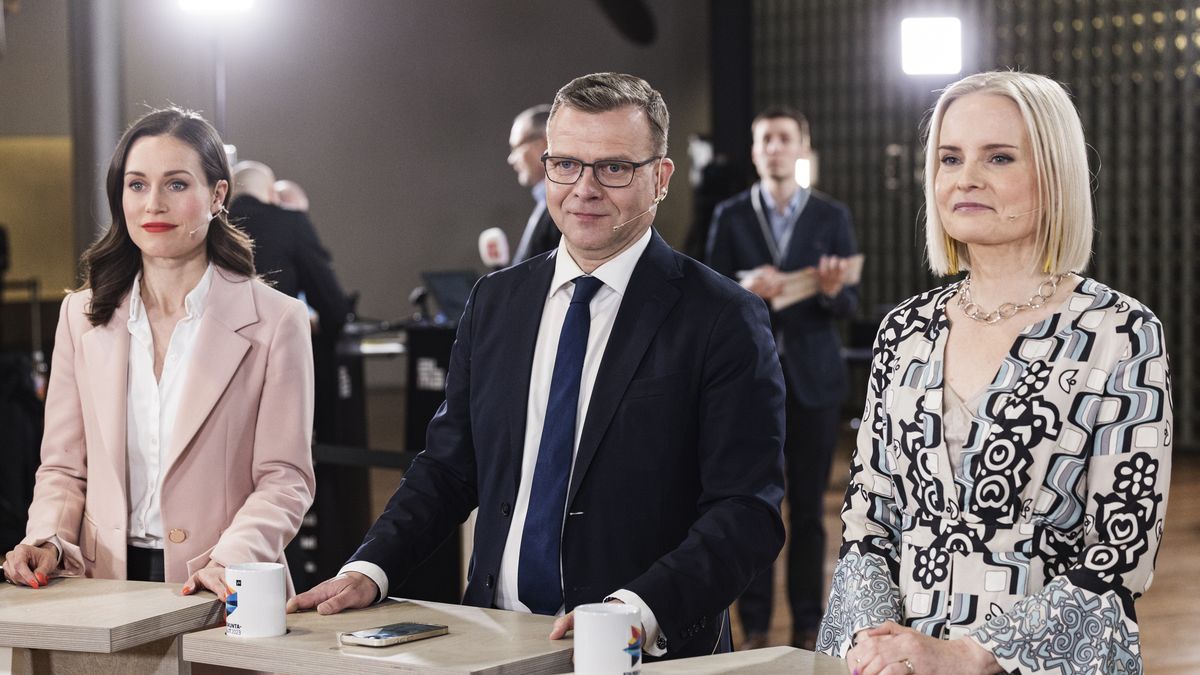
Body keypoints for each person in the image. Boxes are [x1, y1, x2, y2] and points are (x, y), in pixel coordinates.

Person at [289, 72, 787, 661]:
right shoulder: (497, 301)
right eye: (566, 164)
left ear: (660, 177)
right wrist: (372, 566)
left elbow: (746, 511)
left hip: (640, 649)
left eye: (614, 167)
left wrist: (637, 611)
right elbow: (450, 468)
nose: (585, 188)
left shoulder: (722, 316)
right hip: (494, 639)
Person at [817, 71, 1172, 675]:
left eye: (999, 157)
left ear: (1056, 172)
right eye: (950, 158)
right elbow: (868, 521)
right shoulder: (904, 331)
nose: (966, 179)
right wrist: (875, 647)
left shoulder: (1121, 332)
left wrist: (966, 656)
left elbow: (1118, 553)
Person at [2, 108, 316, 598]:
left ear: (217, 196)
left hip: (220, 587)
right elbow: (64, 467)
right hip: (99, 589)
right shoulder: (81, 316)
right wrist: (48, 537)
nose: (153, 204)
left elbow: (285, 479)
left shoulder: (277, 321)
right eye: (136, 185)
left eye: (175, 185)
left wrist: (232, 559)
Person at [705, 106, 858, 650]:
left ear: (801, 149)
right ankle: (755, 626)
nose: (774, 147)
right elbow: (710, 297)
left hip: (815, 381)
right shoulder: (730, 216)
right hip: (750, 382)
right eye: (765, 139)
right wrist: (745, 286)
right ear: (754, 150)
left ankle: (810, 620)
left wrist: (835, 290)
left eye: (783, 138)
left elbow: (850, 304)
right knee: (752, 506)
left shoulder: (830, 215)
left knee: (812, 511)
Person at [229, 162, 350, 337]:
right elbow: (331, 304)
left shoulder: (208, 227)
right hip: (276, 348)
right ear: (272, 193)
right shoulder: (291, 222)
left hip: (215, 352)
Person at [508, 104, 561, 264]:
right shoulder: (545, 201)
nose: (511, 159)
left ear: (545, 143)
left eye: (516, 147)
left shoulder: (568, 206)